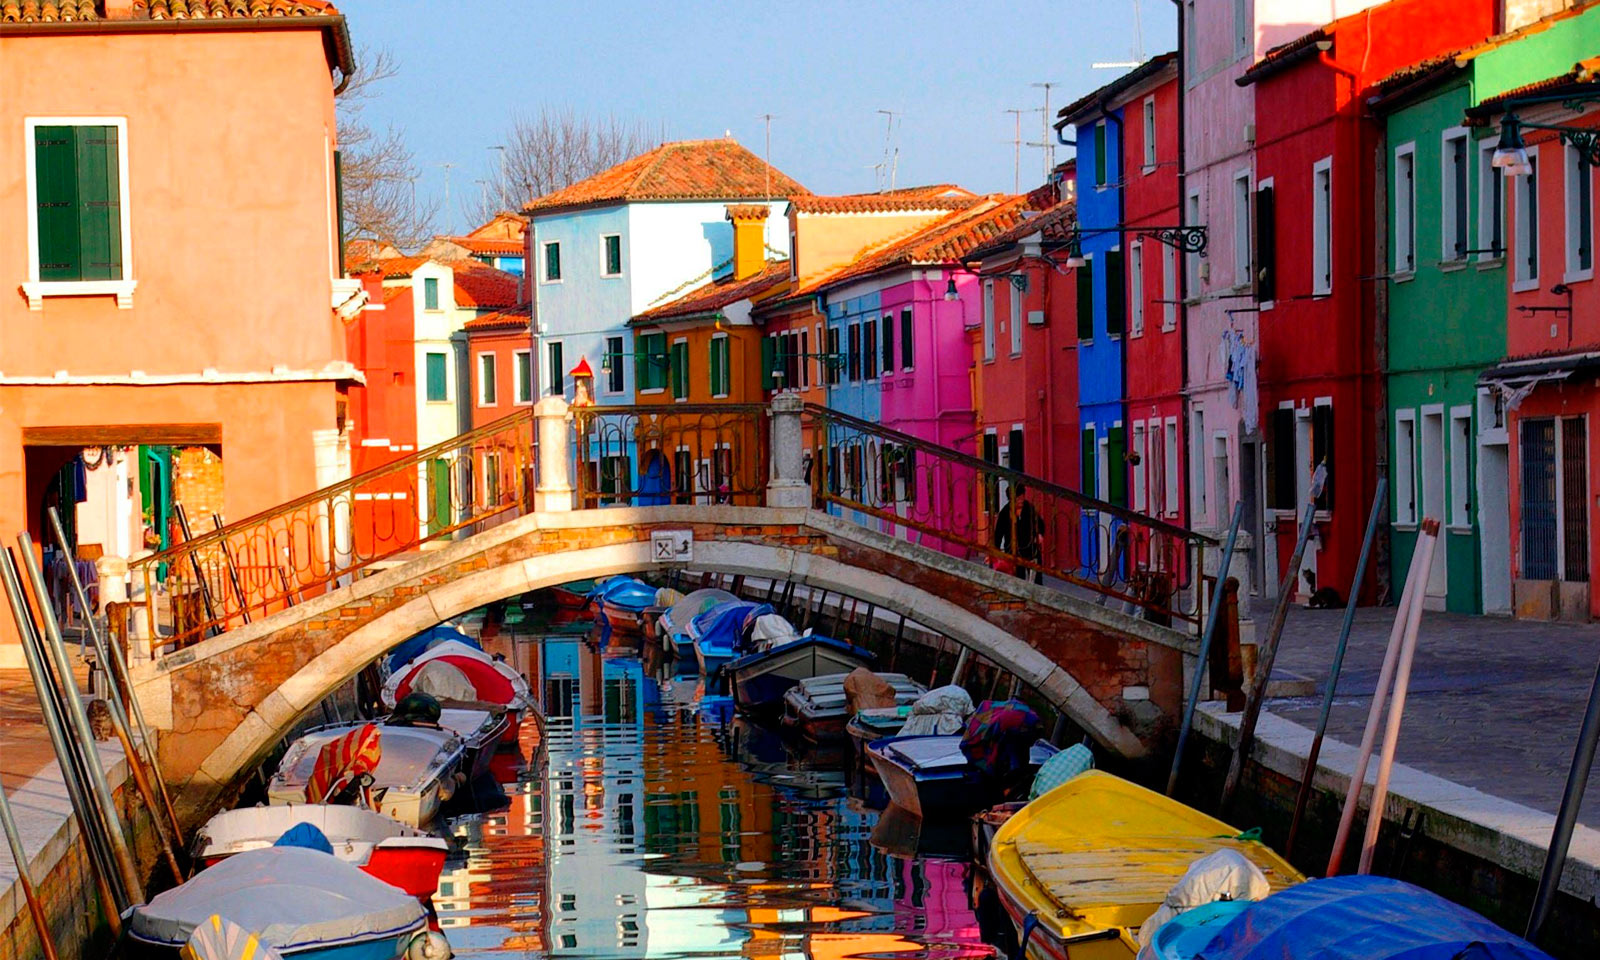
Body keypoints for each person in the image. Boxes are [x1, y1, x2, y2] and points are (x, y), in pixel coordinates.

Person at [993, 493, 1044, 583]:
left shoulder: (1029, 508)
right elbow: (998, 533)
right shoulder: (1005, 512)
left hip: (1031, 548)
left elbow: (1040, 523)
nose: (1021, 500)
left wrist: (1040, 534)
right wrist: (996, 551)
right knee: (1018, 578)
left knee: (1036, 578)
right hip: (1014, 550)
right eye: (1018, 498)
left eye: (1022, 497)